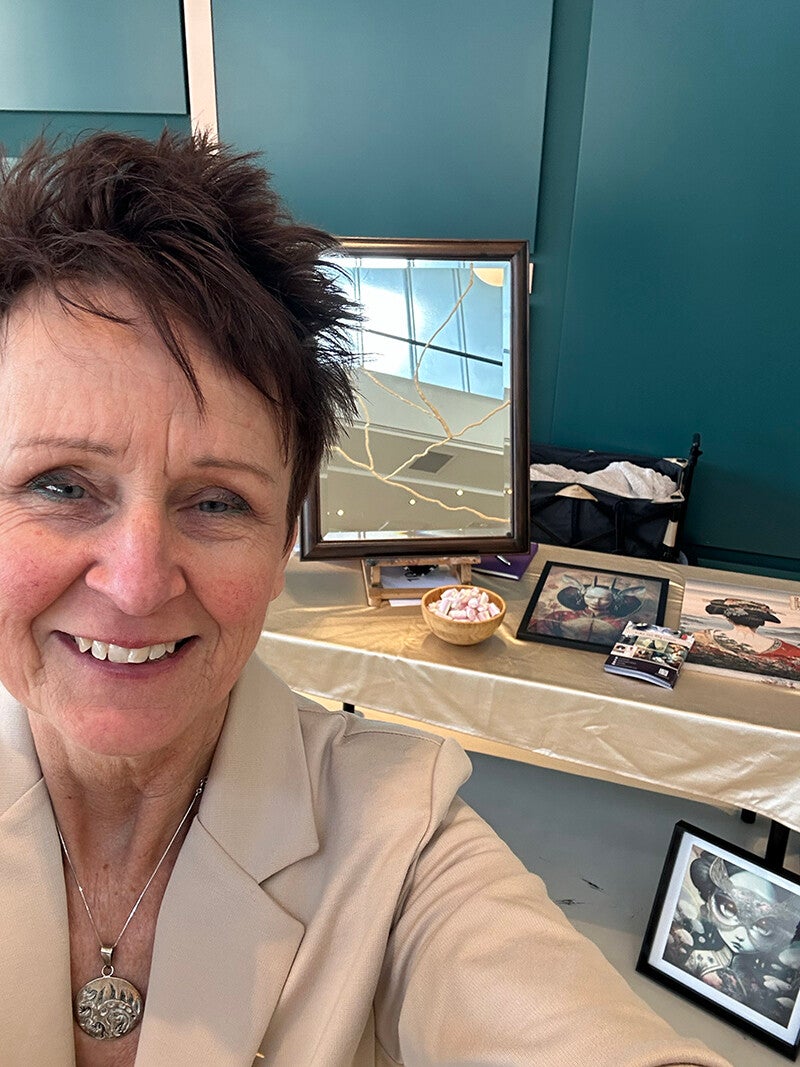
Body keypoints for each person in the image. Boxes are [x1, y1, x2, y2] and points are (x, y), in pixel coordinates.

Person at [0, 130, 731, 1066]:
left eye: (218, 502)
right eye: (62, 485)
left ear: (284, 538)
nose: (138, 583)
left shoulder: (400, 838)